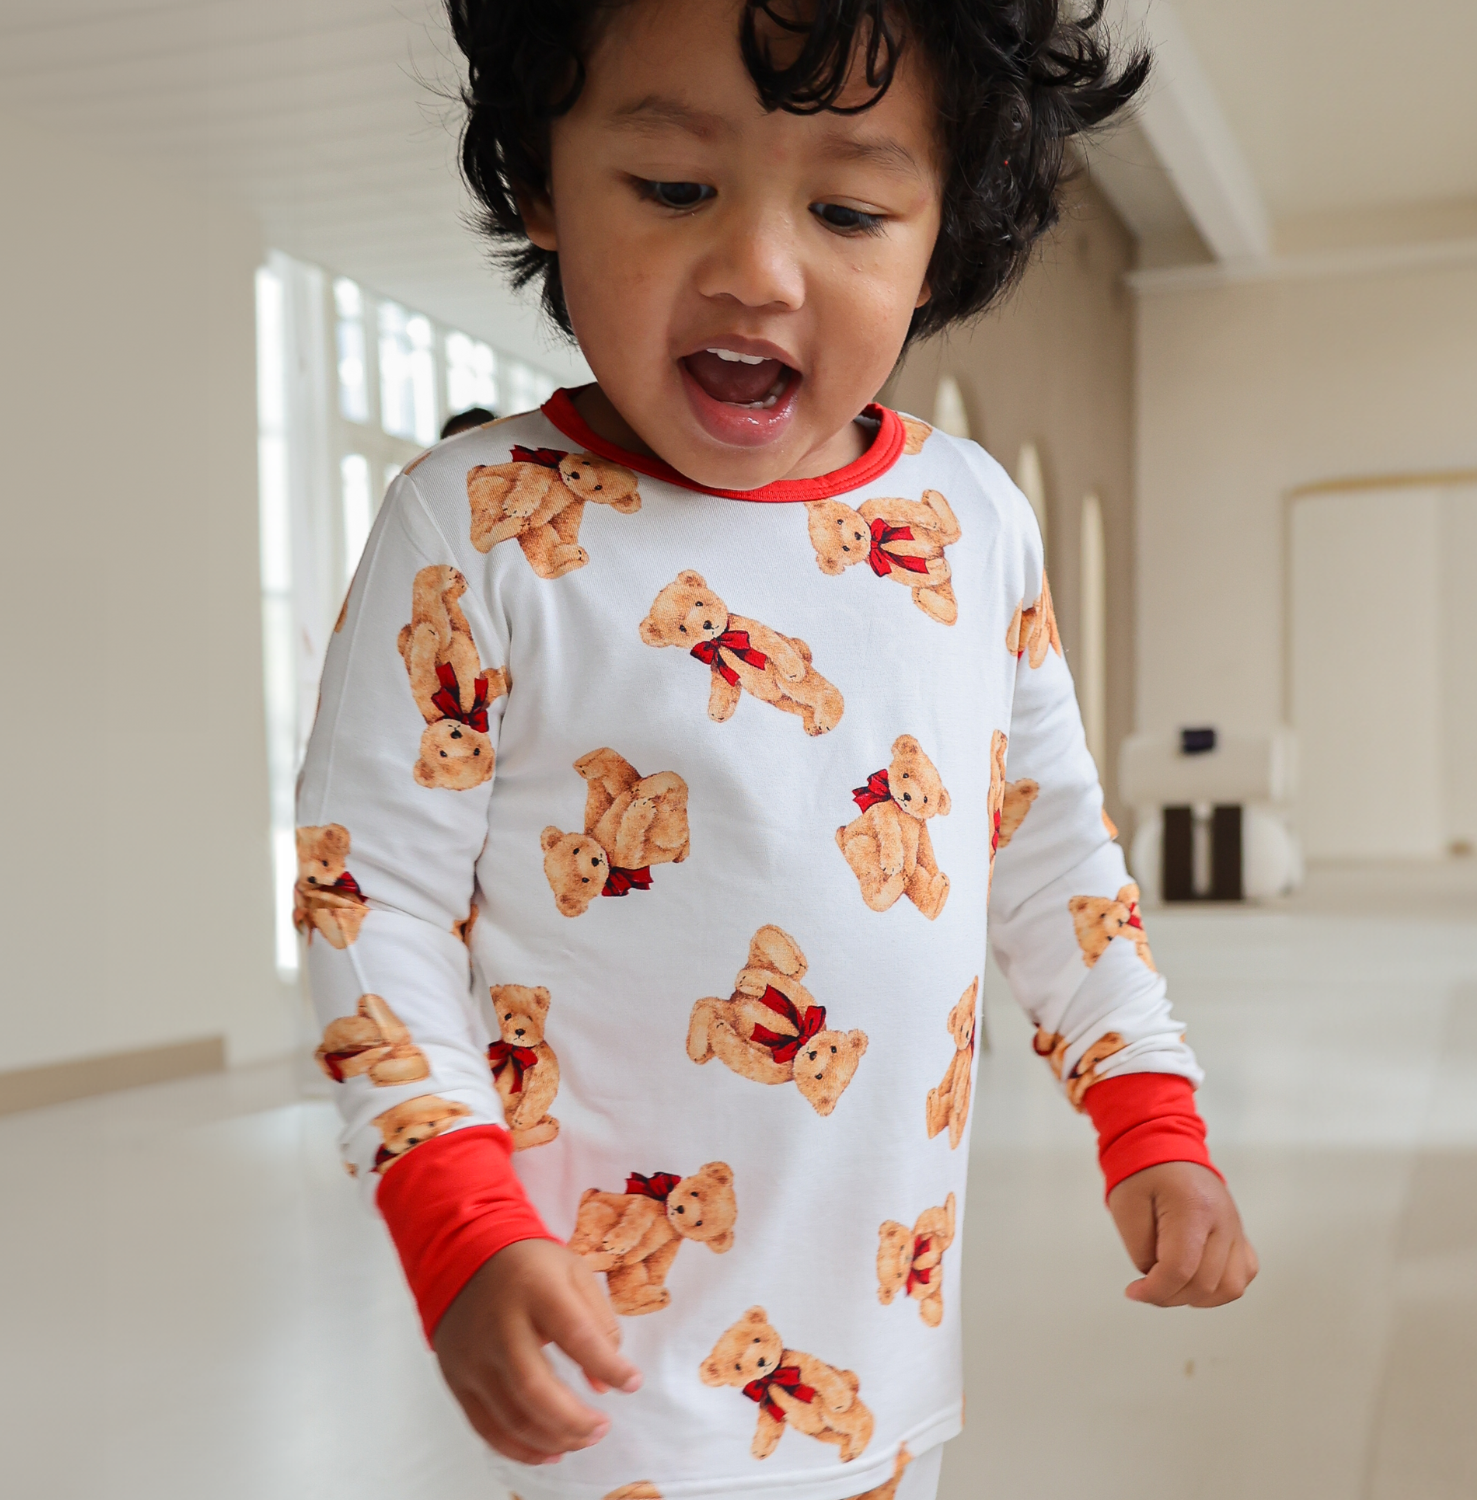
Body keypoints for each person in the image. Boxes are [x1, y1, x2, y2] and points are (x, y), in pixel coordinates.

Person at [297, 3, 1257, 1498]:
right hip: (609, 1350)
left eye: (850, 210)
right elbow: (375, 899)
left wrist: (1148, 1109)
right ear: (542, 182)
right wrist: (455, 1216)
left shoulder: (970, 522)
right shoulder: (480, 523)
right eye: (674, 187)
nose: (756, 267)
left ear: (941, 237)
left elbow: (1049, 849)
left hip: (880, 1341)